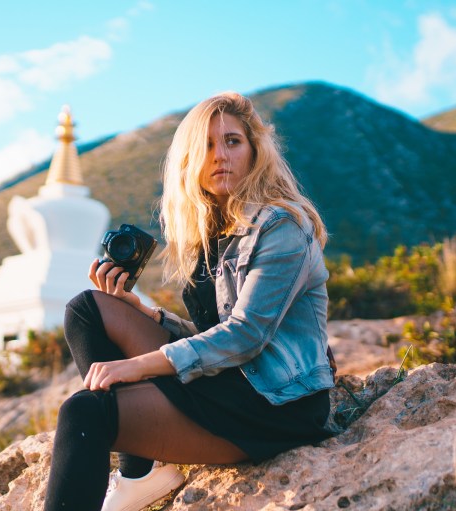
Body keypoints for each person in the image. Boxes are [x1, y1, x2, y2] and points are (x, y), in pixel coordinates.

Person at [43, 91, 336, 511]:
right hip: (230, 380)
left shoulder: (282, 225)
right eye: (207, 146)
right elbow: (211, 340)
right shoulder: (212, 234)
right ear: (190, 161)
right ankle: (139, 475)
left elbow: (245, 336)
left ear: (255, 151)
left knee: (85, 412)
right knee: (87, 309)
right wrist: (146, 312)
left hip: (276, 404)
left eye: (233, 141)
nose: (220, 156)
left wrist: (132, 368)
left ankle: (128, 457)